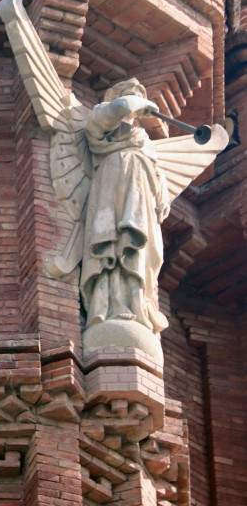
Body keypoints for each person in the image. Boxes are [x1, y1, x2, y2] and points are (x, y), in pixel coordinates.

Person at [81, 78, 169, 332]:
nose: (136, 100)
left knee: (141, 250)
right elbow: (120, 108)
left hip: (140, 197)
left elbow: (160, 186)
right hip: (110, 189)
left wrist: (160, 199)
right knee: (109, 245)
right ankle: (105, 306)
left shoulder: (144, 141)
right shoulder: (101, 120)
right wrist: (142, 103)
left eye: (139, 94)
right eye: (132, 94)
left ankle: (136, 305)